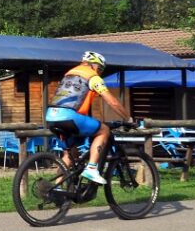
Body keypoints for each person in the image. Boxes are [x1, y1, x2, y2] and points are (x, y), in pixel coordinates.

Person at [44, 51, 132, 185]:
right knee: (104, 130)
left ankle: (56, 188)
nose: (100, 72)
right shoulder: (93, 77)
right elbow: (112, 102)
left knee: (70, 155)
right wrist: (128, 118)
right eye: (101, 68)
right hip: (69, 116)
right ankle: (91, 168)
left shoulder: (69, 74)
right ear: (95, 65)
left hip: (51, 116)